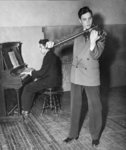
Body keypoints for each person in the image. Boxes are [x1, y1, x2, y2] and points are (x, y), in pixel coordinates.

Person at [62, 6, 106, 147]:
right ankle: (72, 134)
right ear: (80, 20)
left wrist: (93, 43)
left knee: (96, 107)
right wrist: (51, 43)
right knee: (75, 106)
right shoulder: (76, 33)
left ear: (92, 18)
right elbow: (64, 40)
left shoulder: (101, 33)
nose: (88, 22)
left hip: (91, 75)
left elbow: (96, 55)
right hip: (76, 74)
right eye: (84, 19)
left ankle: (95, 135)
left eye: (90, 18)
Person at [21, 39, 62, 117]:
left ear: (45, 47)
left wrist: (30, 72)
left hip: (51, 82)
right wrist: (35, 74)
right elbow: (45, 71)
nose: (40, 49)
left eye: (40, 47)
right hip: (53, 80)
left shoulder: (48, 56)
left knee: (27, 87)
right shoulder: (51, 55)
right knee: (33, 85)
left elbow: (42, 72)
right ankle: (27, 107)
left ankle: (25, 110)